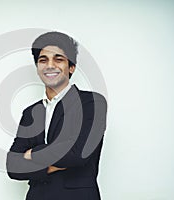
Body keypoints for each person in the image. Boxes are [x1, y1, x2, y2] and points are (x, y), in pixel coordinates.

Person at [6, 31, 107, 200]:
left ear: (71, 67)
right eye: (43, 60)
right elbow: (13, 166)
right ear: (38, 68)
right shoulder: (30, 112)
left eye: (58, 59)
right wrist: (56, 159)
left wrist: (30, 154)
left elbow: (78, 154)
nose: (50, 65)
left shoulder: (92, 103)